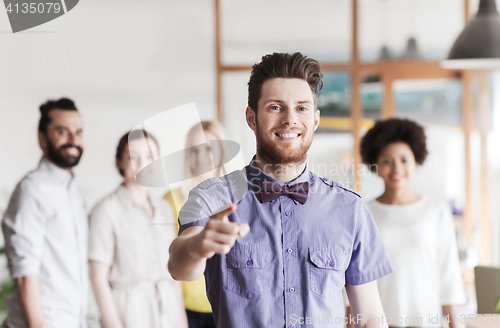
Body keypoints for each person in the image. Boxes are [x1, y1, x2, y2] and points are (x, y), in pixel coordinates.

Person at [168, 52, 395, 328]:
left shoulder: (350, 209)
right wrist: (198, 245)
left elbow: (370, 317)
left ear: (315, 120)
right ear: (252, 118)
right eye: (276, 107)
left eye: (301, 108)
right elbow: (179, 266)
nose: (290, 119)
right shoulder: (212, 198)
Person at [360, 118, 466, 328]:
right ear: (376, 166)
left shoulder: (436, 211)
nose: (396, 167)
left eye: (404, 159)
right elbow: (357, 279)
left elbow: (449, 276)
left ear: (416, 162)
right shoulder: (364, 213)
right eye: (387, 160)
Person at [2, 98, 88, 328]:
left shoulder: (75, 193)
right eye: (63, 131)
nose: (73, 140)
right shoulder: (32, 190)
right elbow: (24, 274)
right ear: (42, 138)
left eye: (78, 132)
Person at [89, 130, 188, 328]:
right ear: (120, 162)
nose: (144, 163)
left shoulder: (165, 208)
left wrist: (182, 321)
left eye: (150, 156)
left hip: (169, 314)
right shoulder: (106, 210)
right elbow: (98, 279)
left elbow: (173, 272)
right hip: (131, 314)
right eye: (133, 157)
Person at [164, 121, 225, 328]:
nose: (200, 157)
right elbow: (168, 263)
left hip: (226, 307)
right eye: (193, 150)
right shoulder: (170, 200)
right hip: (187, 311)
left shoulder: (239, 199)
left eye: (208, 148)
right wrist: (179, 316)